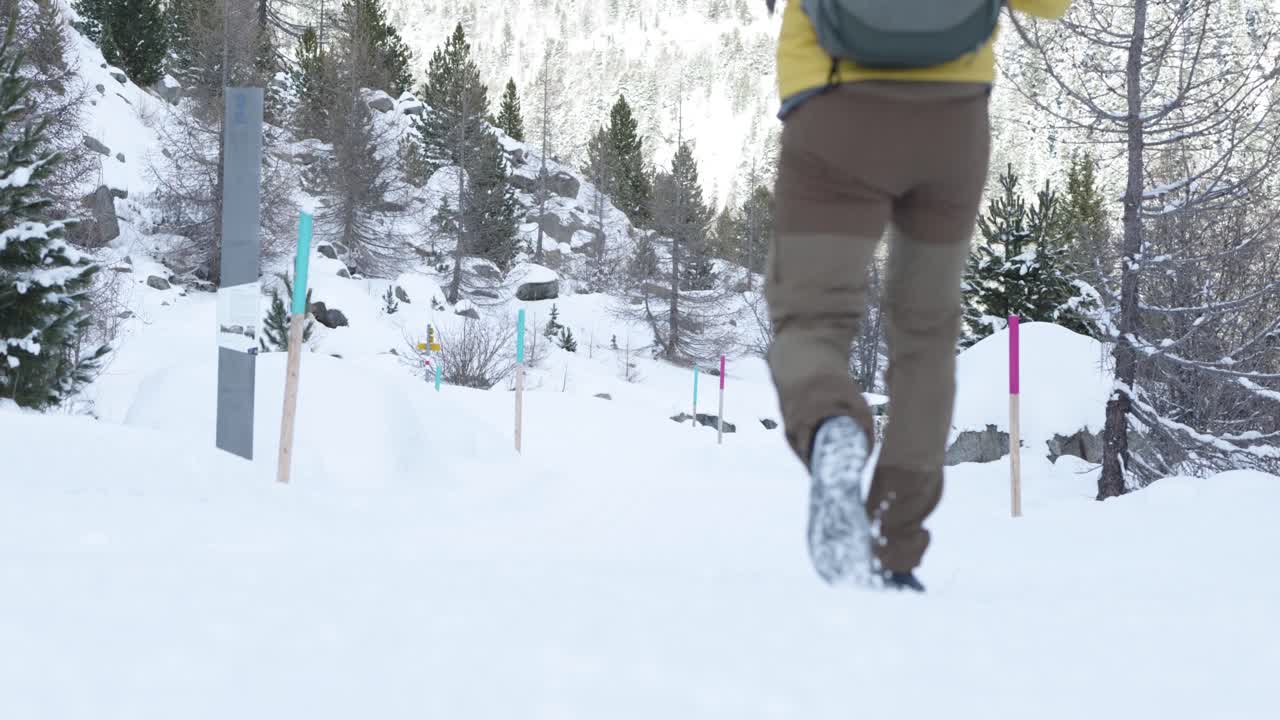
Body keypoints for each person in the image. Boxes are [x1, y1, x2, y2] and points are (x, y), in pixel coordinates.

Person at [764, 0, 1071, 591]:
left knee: (811, 319)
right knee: (926, 332)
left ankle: (833, 424)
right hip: (951, 122)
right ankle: (894, 542)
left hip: (833, 109)